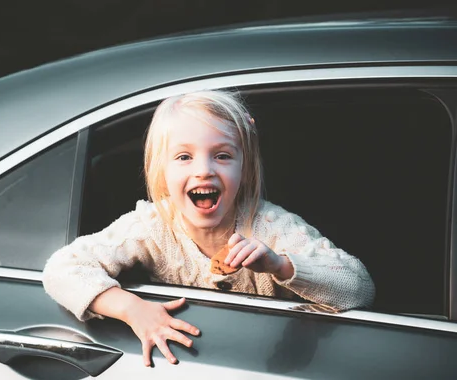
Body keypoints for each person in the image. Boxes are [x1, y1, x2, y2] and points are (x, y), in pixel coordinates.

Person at [43, 89, 375, 366]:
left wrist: (279, 264)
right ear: (162, 172)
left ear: (244, 168)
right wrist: (133, 309)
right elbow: (61, 269)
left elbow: (359, 287)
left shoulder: (272, 226)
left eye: (222, 156)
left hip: (274, 362)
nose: (204, 170)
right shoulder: (152, 226)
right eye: (184, 157)